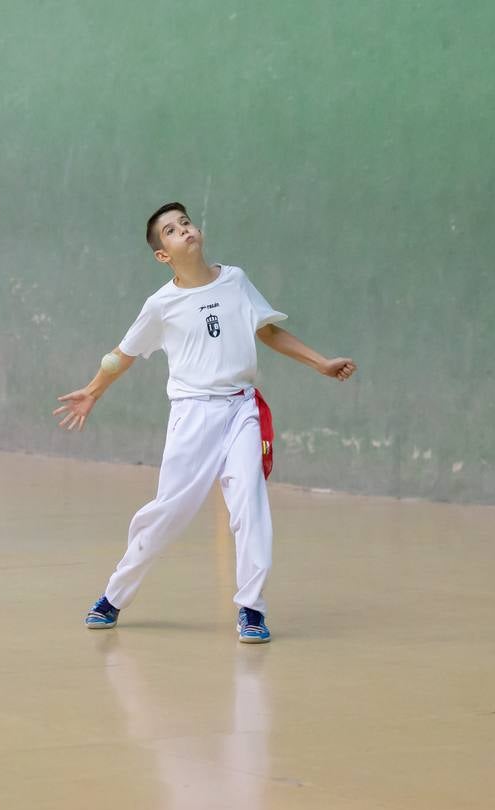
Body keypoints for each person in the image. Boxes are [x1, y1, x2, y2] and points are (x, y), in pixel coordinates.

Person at [56, 202, 357, 643]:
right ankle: (114, 595)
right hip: (193, 415)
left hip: (241, 410)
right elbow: (122, 355)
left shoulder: (235, 280)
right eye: (171, 231)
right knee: (168, 513)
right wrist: (92, 390)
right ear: (163, 254)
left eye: (185, 223)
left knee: (250, 505)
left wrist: (320, 363)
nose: (184, 231)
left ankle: (252, 609)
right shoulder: (161, 305)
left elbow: (268, 331)